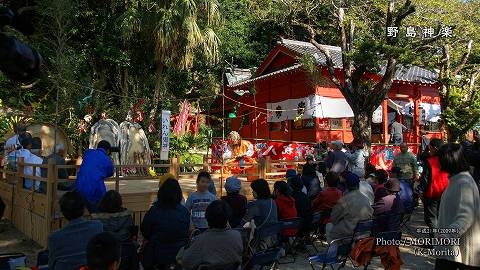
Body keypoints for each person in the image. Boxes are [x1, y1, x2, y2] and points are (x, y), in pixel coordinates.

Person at [435, 143, 480, 270]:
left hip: (459, 254)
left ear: (447, 160)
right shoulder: (457, 180)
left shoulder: (463, 183)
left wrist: (447, 236)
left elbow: (466, 217)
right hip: (451, 250)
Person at [141, 178, 190, 270]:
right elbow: (186, 230)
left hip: (157, 254)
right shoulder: (184, 211)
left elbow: (145, 230)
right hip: (178, 254)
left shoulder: (154, 210)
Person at [48, 191, 103, 270]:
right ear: (84, 209)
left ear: (63, 212)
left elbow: (51, 265)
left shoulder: (54, 237)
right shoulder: (97, 226)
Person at [181, 200, 243, 270]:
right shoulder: (237, 235)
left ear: (207, 218)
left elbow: (186, 262)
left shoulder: (200, 240)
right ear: (227, 219)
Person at [92, 191, 137, 270]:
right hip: (125, 254)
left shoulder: (96, 220)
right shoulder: (127, 216)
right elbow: (132, 234)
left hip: (105, 257)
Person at [327, 173, 373, 242]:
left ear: (346, 185)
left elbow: (333, 218)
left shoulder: (344, 200)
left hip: (349, 235)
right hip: (364, 233)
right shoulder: (366, 199)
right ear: (358, 185)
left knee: (329, 226)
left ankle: (333, 251)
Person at [417, 138, 449, 237]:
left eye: (430, 148)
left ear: (435, 148)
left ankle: (434, 241)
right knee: (441, 217)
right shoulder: (448, 159)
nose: (429, 150)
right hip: (446, 192)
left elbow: (425, 178)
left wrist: (420, 191)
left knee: (431, 218)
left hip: (432, 193)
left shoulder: (430, 161)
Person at [76, 140, 115, 213]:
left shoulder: (88, 153)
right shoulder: (107, 160)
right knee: (97, 213)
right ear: (107, 150)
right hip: (94, 192)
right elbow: (110, 172)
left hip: (79, 188)